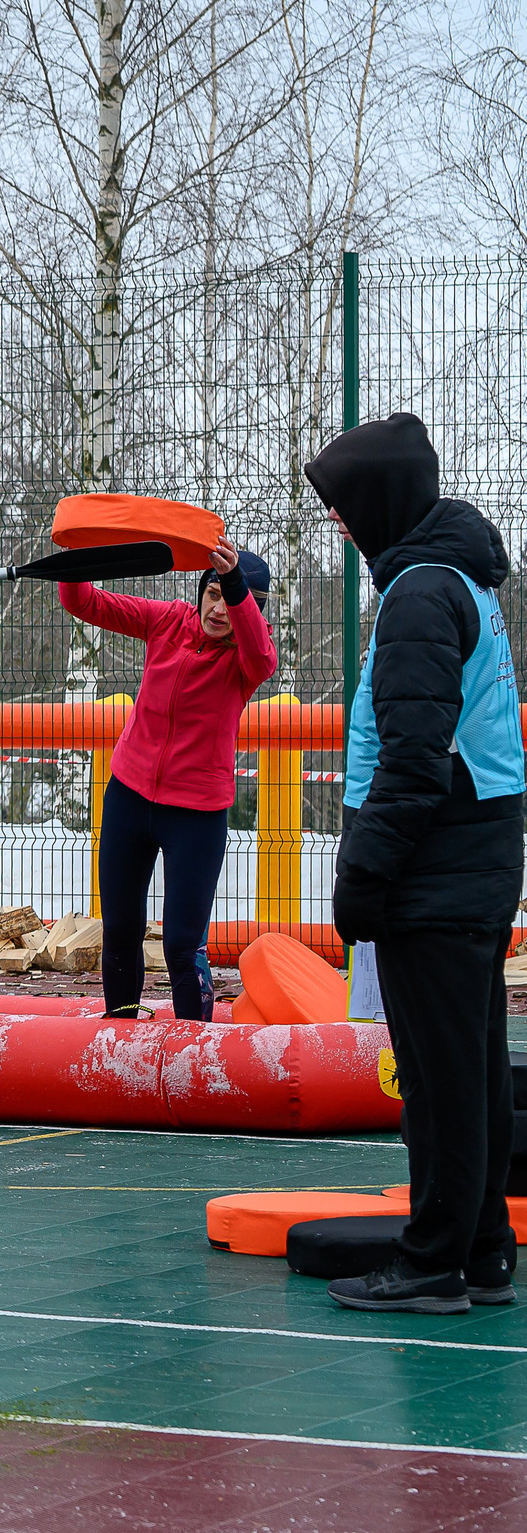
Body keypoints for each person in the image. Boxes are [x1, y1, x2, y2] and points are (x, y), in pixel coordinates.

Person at [306, 413, 519, 1314]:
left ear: (380, 501)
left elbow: (414, 756)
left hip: (437, 869)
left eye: (344, 506)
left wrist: (362, 878)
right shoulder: (452, 576)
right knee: (469, 1065)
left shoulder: (421, 595)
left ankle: (431, 1260)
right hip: (474, 857)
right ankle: (480, 1246)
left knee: (435, 1079)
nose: (339, 524)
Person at [58, 540, 276, 1020]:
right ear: (200, 592)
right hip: (129, 798)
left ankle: (193, 1056)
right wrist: (79, 556)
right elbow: (82, 602)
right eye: (212, 592)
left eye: (234, 600)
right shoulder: (168, 620)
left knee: (181, 944)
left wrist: (239, 585)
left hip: (196, 816)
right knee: (119, 929)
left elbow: (260, 651)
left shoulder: (249, 661)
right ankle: (122, 1033)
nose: (219, 608)